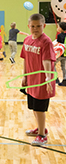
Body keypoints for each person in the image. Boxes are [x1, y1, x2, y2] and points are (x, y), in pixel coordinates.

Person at [21, 13, 56, 146]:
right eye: (33, 26)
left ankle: (42, 135)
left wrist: (48, 78)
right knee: (34, 108)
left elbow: (47, 61)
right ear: (29, 26)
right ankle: (40, 128)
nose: (35, 29)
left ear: (44, 26)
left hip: (42, 81)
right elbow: (25, 59)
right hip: (31, 80)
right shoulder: (27, 40)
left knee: (40, 109)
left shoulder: (46, 41)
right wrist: (25, 76)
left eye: (38, 26)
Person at [54, 22, 66, 86]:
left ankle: (56, 78)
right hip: (65, 54)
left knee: (52, 64)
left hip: (60, 54)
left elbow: (58, 44)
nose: (57, 28)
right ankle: (65, 79)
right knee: (63, 66)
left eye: (58, 27)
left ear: (61, 29)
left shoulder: (59, 36)